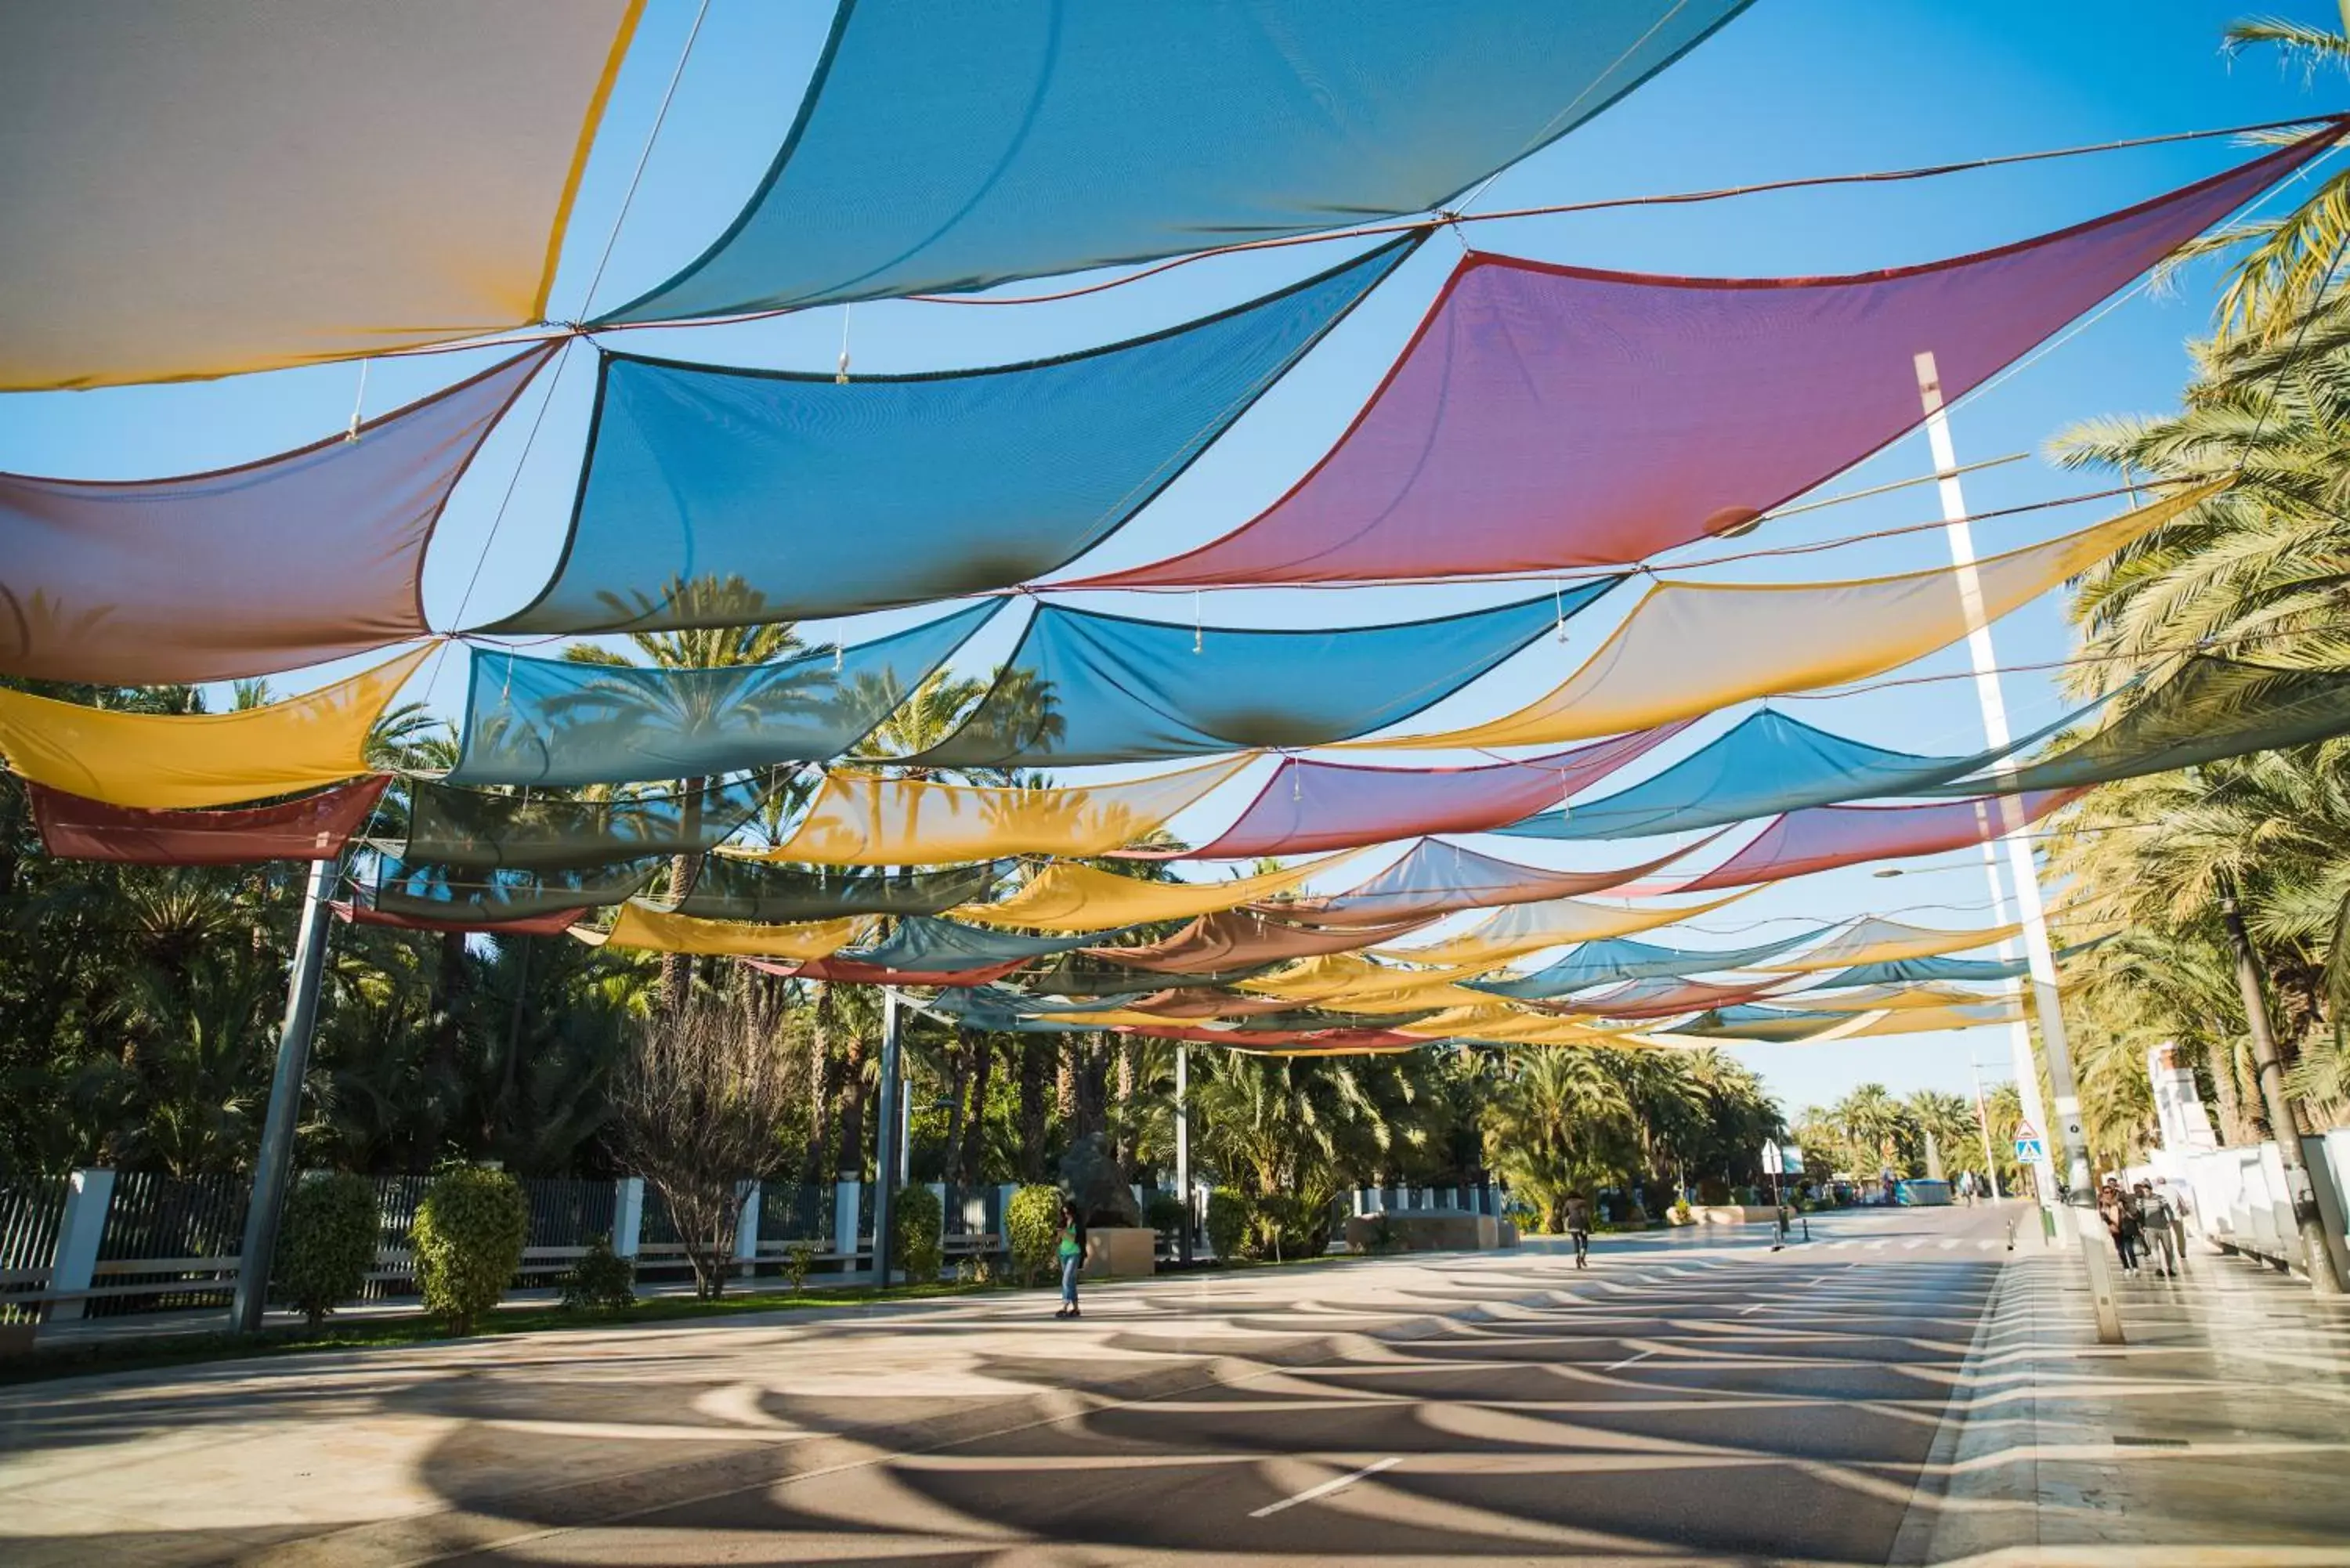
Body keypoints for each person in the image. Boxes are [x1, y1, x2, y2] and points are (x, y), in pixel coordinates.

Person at [2134, 1180, 2178, 1278]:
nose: (2145, 1192)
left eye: (2147, 1190)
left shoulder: (2160, 1198)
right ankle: (2158, 1268)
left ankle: (2170, 1268)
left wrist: (2170, 1221)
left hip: (2163, 1227)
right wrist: (2140, 1227)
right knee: (2154, 1249)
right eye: (2143, 1190)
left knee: (2168, 1249)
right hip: (2150, 1228)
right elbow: (2139, 1215)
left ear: (2150, 1189)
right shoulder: (2140, 1201)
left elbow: (2169, 1210)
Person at [2098, 1176, 2140, 1276]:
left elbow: (2133, 1209)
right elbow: (2103, 1215)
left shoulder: (2121, 1198)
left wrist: (2123, 1206)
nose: (2108, 1194)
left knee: (2129, 1248)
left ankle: (2135, 1267)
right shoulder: (2103, 1203)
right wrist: (2110, 1224)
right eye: (2106, 1192)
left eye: (2110, 1191)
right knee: (2120, 1250)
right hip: (2115, 1228)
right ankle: (2126, 1267)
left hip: (2126, 1226)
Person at [1054, 1200, 1085, 1319]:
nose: (1066, 1215)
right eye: (1064, 1213)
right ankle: (1076, 1308)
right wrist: (1059, 1235)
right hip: (1064, 1254)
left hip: (1074, 1254)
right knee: (1071, 1282)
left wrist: (1065, 1233)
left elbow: (1074, 1239)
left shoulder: (1077, 1224)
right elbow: (1058, 1241)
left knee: (1066, 1279)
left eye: (1068, 1213)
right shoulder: (1063, 1223)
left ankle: (1065, 1306)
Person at [1564, 1192, 1593, 1269]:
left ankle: (1577, 1257)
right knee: (1584, 1240)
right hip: (1581, 1224)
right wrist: (1586, 1227)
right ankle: (1582, 1257)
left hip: (1571, 1224)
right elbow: (1584, 1215)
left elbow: (1564, 1214)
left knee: (1575, 1240)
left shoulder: (1568, 1203)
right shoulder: (1583, 1203)